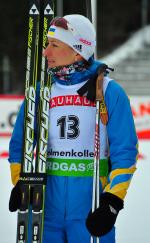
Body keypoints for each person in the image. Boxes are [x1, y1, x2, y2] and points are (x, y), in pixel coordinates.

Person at [8, 14, 138, 243]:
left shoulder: (109, 92)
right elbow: (20, 144)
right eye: (47, 44)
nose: (46, 52)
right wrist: (21, 180)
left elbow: (125, 152)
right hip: (44, 209)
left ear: (78, 51)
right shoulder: (40, 92)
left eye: (54, 45)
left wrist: (112, 201)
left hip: (91, 209)